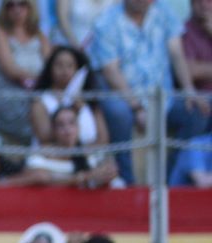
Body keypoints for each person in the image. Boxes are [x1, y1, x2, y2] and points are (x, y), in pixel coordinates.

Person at [90, 0, 210, 185]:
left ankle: (170, 180)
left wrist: (189, 91)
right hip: (126, 96)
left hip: (164, 97)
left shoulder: (163, 12)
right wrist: (137, 107)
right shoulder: (105, 22)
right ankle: (127, 181)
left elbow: (177, 55)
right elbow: (110, 71)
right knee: (117, 112)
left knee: (197, 111)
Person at [0, 0, 50, 144]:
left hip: (37, 90)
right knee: (42, 107)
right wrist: (43, 79)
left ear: (30, 7)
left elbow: (51, 65)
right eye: (10, 5)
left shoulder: (39, 34)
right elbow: (11, 70)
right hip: (9, 92)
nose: (16, 9)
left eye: (21, 4)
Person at [29, 45, 107, 152]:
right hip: (54, 160)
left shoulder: (89, 98)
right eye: (59, 65)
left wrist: (85, 156)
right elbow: (45, 137)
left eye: (70, 66)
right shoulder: (40, 102)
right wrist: (74, 111)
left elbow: (103, 138)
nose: (64, 70)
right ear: (50, 68)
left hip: (90, 158)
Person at [25, 104, 122, 186]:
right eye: (61, 125)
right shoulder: (41, 154)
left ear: (79, 127)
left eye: (72, 123)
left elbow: (111, 170)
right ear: (53, 130)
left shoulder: (94, 153)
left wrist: (108, 172)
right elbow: (38, 178)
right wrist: (85, 177)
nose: (67, 129)